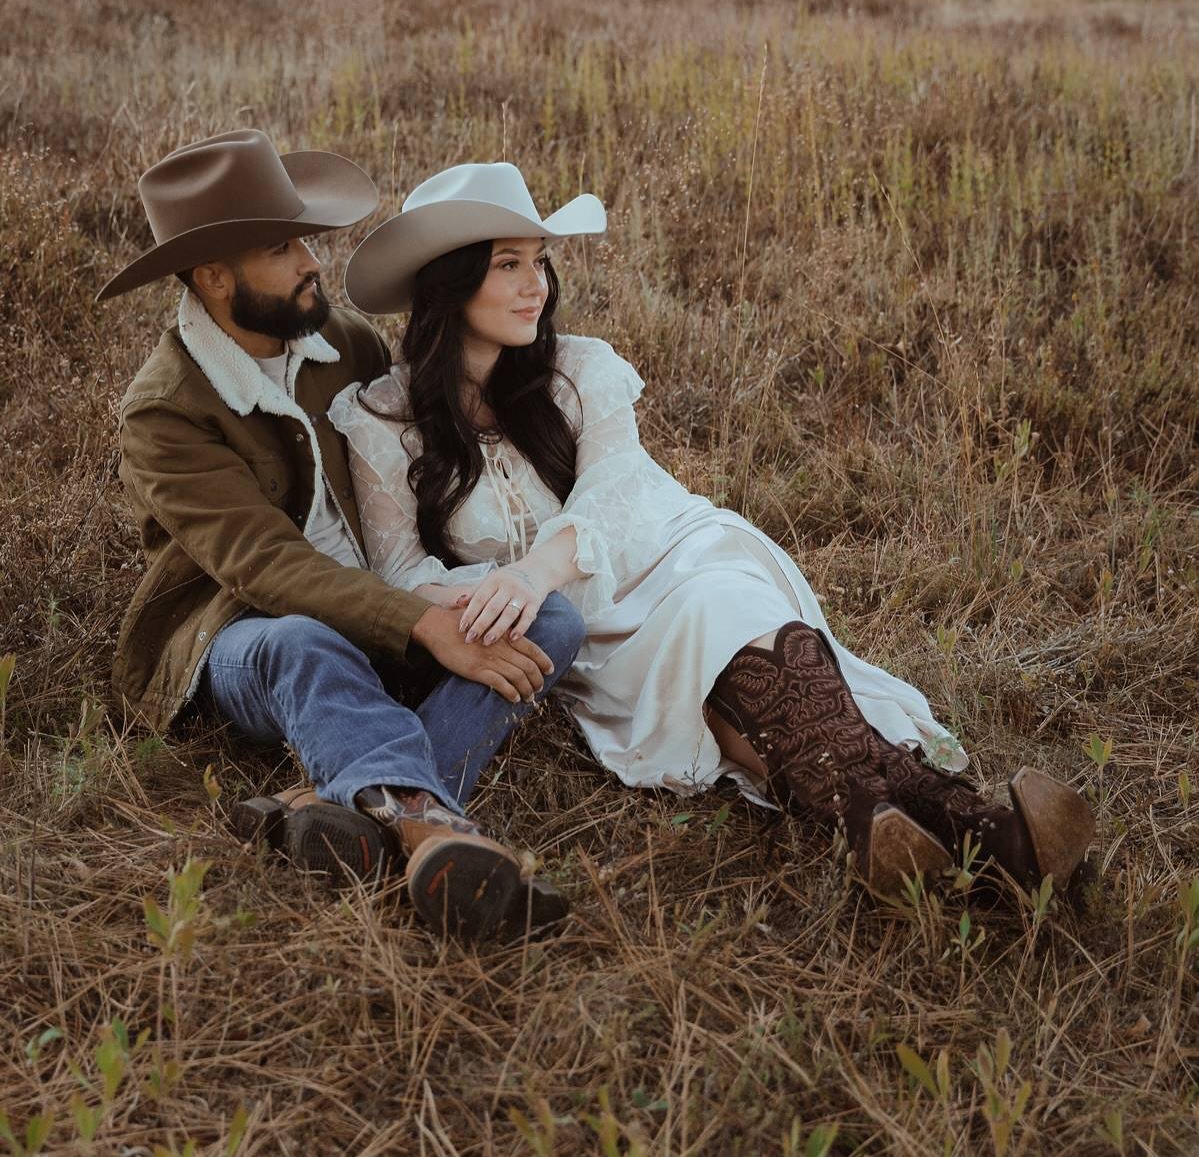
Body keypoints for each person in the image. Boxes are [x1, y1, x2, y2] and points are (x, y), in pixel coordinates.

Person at [329, 161, 1096, 899]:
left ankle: (955, 825)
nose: (538, 285)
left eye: (541, 261)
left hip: (667, 550)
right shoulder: (380, 419)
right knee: (721, 691)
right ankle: (950, 838)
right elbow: (396, 572)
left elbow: (616, 486)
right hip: (587, 623)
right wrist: (492, 596)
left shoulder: (579, 370)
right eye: (508, 264)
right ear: (450, 280)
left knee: (727, 613)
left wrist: (533, 573)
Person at [100, 130, 585, 942]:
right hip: (240, 634)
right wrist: (427, 627)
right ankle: (431, 827)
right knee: (302, 643)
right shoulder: (165, 412)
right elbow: (265, 566)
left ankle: (335, 814)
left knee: (549, 619)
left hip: (382, 607)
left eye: (305, 238)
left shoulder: (347, 347)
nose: (310, 262)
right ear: (216, 277)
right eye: (281, 246)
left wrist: (451, 597)